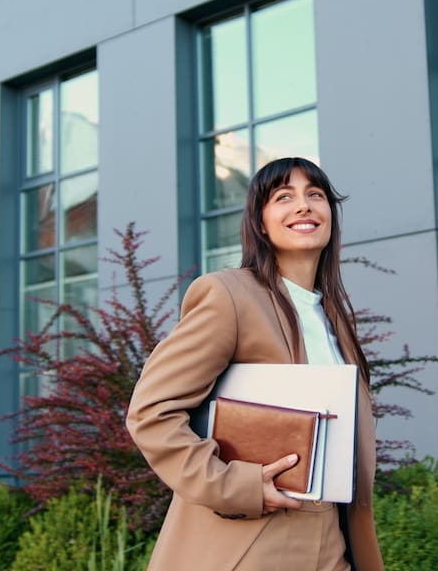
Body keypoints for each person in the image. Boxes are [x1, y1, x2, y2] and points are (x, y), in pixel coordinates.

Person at [126, 157, 384, 570]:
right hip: (251, 542)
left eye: (315, 195)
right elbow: (152, 414)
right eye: (284, 197)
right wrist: (235, 486)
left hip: (331, 541)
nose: (304, 206)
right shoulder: (229, 296)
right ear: (261, 223)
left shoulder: (334, 319)